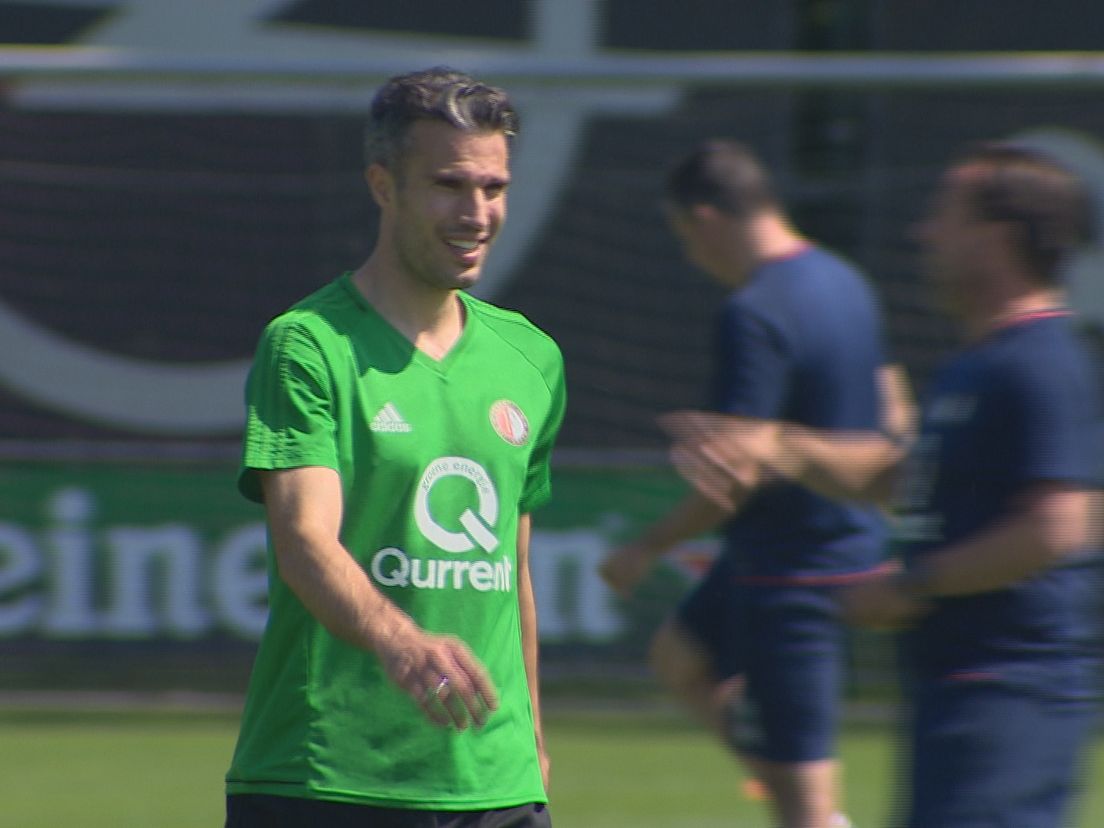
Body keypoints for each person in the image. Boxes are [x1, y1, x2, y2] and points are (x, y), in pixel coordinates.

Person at [667, 142, 1103, 827]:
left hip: (1013, 693)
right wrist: (784, 446)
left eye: (946, 216)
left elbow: (1058, 525)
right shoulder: (978, 364)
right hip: (955, 689)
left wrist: (910, 584)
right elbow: (899, 476)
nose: (924, 233)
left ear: (999, 236)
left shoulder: (1041, 361)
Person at [224, 66, 566, 828]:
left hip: (494, 787)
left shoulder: (531, 359)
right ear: (384, 186)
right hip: (329, 781)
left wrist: (532, 745)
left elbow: (512, 569)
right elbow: (304, 542)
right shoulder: (309, 346)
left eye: (494, 188)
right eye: (450, 185)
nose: (476, 213)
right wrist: (400, 642)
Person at [599, 140, 911, 828]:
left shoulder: (754, 313)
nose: (690, 255)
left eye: (686, 237)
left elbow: (731, 475)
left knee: (806, 809)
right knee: (678, 658)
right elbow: (894, 404)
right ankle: (783, 774)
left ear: (705, 218)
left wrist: (644, 548)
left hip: (793, 573)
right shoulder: (845, 279)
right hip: (835, 544)